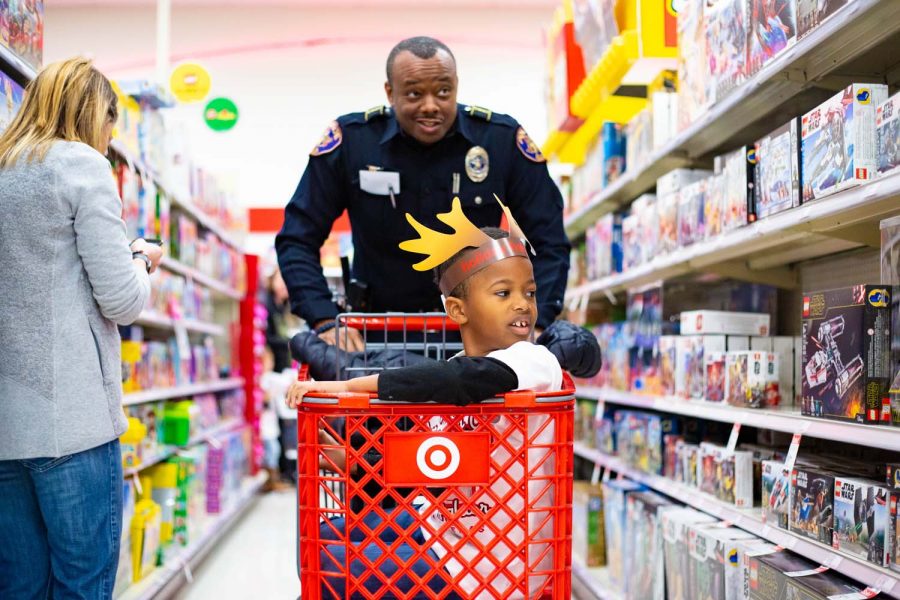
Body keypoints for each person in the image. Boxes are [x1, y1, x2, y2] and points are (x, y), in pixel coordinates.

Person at [287, 199, 564, 599]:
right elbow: (421, 469)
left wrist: (340, 387)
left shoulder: (534, 361)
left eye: (530, 291)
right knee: (329, 534)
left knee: (333, 564)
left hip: (497, 567)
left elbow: (463, 380)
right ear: (457, 309)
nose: (523, 304)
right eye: (503, 293)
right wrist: (336, 453)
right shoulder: (456, 365)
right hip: (446, 533)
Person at [276, 35, 570, 351]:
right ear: (390, 92)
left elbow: (548, 239)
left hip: (480, 336)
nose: (431, 106)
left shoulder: (499, 141)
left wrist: (535, 321)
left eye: (443, 91)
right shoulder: (353, 143)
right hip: (374, 339)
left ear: (456, 85)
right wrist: (323, 319)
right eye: (415, 94)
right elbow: (297, 238)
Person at [0, 57, 163, 599]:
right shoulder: (83, 166)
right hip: (71, 422)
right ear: (99, 115)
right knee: (82, 585)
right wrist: (143, 260)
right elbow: (121, 301)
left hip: (6, 428)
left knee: (19, 586)